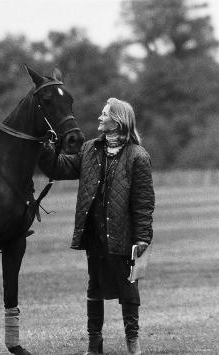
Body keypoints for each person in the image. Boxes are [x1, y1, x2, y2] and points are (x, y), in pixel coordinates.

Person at [38, 98, 155, 355]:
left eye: (105, 115)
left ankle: (132, 343)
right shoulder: (90, 149)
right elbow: (59, 167)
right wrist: (46, 148)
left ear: (117, 121)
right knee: (94, 286)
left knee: (128, 287)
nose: (100, 118)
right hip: (94, 233)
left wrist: (143, 237)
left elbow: (143, 203)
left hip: (123, 234)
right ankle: (94, 345)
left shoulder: (138, 156)